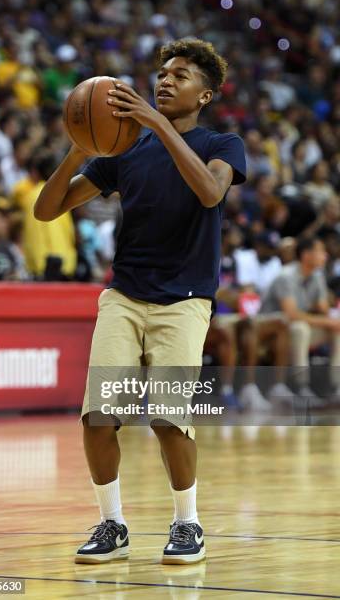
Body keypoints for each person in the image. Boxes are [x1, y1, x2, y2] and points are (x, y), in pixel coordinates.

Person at [34, 38, 246, 565]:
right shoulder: (125, 149)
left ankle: (187, 525)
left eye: (181, 75)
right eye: (163, 72)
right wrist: (80, 146)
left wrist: (158, 125)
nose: (166, 80)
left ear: (206, 94)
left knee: (169, 419)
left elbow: (209, 193)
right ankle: (112, 524)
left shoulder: (223, 144)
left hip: (185, 301)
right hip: (124, 297)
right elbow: (47, 209)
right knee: (99, 417)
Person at [261, 237, 340, 404]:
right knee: (300, 328)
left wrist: (329, 316)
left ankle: (336, 387)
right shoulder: (286, 276)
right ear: (306, 255)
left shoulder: (317, 276)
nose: (325, 255)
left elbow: (324, 310)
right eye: (320, 251)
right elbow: (291, 315)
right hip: (270, 333)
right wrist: (328, 321)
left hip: (297, 330)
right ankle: (301, 387)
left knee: (336, 330)